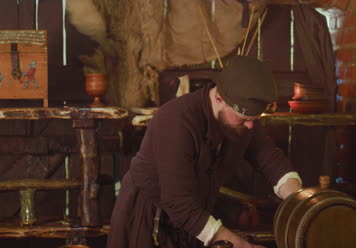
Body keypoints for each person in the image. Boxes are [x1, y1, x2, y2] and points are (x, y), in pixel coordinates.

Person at [107, 56, 303, 248]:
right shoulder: (177, 121)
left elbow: (269, 159)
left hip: (193, 218)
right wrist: (243, 246)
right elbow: (178, 204)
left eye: (254, 119)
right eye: (243, 118)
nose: (251, 126)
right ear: (219, 99)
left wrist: (300, 203)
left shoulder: (244, 122)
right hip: (148, 218)